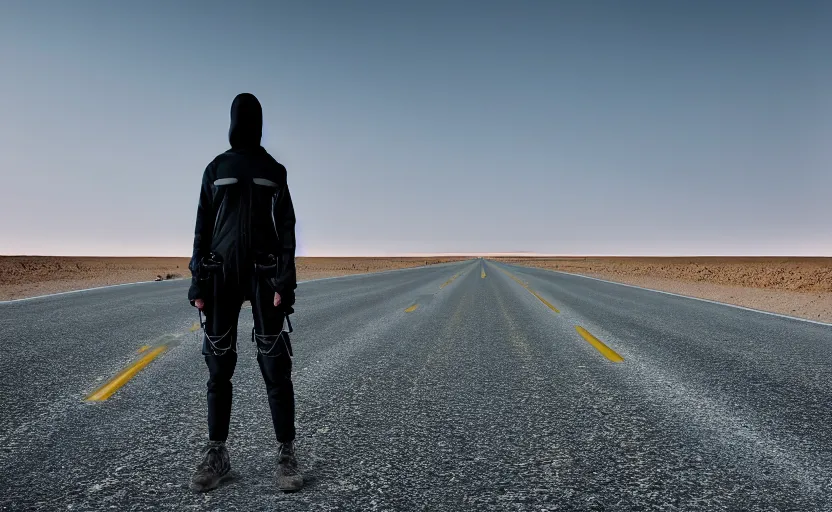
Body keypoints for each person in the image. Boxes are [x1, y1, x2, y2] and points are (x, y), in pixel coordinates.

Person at [186, 93, 302, 493]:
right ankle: (217, 453)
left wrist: (285, 281)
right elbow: (202, 226)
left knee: (275, 366)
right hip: (221, 275)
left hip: (265, 275)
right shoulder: (215, 168)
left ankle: (287, 453)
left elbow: (286, 229)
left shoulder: (275, 170)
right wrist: (197, 278)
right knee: (218, 368)